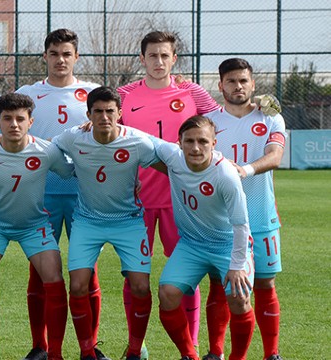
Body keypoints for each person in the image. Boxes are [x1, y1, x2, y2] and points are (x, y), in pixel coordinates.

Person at [116, 30, 220, 357]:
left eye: (165, 55)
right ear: (141, 59)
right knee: (136, 277)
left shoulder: (193, 93)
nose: (159, 62)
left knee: (187, 275)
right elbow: (100, 124)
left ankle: (192, 347)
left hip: (183, 201)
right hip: (136, 200)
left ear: (174, 59)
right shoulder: (123, 95)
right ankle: (136, 347)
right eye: (152, 56)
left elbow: (225, 120)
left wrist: (257, 106)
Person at [0, 93, 73, 360]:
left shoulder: (47, 150)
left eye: (20, 119)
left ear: (31, 121)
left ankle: (55, 353)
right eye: (7, 118)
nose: (14, 124)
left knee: (54, 281)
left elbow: (75, 171)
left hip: (34, 225)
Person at [51, 87, 160, 360]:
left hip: (129, 221)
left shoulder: (136, 141)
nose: (104, 116)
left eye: (110, 111)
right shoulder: (74, 137)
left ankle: (134, 350)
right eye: (97, 111)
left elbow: (169, 159)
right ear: (88, 114)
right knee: (77, 285)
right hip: (88, 222)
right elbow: (48, 149)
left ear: (120, 114)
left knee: (141, 286)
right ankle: (87, 352)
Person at [15, 28, 103, 360]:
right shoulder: (27, 93)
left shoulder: (93, 93)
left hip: (84, 194)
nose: (60, 60)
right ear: (45, 57)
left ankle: (89, 347)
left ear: (76, 57)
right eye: (54, 53)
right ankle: (41, 346)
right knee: (39, 269)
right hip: (41, 194)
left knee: (86, 269)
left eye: (67, 54)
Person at [204, 58, 286, 360]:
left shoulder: (271, 117)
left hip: (262, 217)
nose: (238, 86)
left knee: (265, 282)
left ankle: (271, 354)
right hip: (222, 221)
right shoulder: (210, 120)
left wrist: (246, 170)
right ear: (221, 85)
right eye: (231, 81)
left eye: (243, 81)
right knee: (220, 284)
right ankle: (215, 352)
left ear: (252, 84)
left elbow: (275, 156)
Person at [155, 115, 255, 360]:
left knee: (238, 298)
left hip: (228, 244)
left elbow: (241, 225)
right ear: (179, 142)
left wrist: (237, 265)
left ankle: (237, 358)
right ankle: (190, 355)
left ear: (214, 143)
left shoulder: (226, 176)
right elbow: (141, 139)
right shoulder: (172, 157)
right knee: (167, 293)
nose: (196, 147)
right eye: (189, 141)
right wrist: (102, 122)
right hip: (192, 244)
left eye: (203, 141)